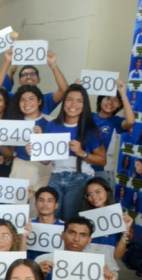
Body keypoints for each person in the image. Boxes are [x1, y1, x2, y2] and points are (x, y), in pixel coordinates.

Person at [35, 85, 105, 222]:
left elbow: (102, 160)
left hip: (79, 178)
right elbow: (46, 161)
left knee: (70, 219)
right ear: (63, 102)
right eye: (69, 99)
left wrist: (82, 153)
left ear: (84, 105)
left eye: (79, 101)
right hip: (55, 176)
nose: (73, 104)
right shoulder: (52, 125)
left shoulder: (90, 129)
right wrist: (35, 150)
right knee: (50, 217)